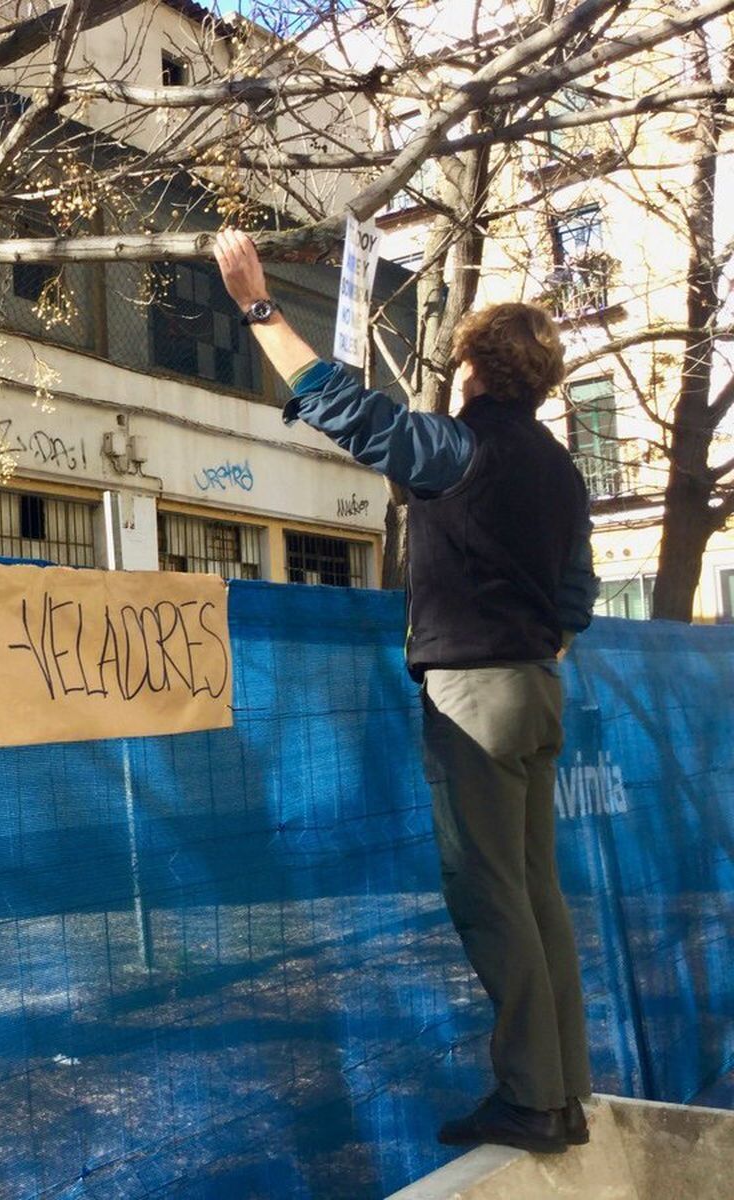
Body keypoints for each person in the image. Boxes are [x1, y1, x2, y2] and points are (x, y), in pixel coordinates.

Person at [212, 229, 599, 1156]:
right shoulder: (562, 468)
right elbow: (578, 596)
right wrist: (539, 640)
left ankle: (532, 1101)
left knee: (489, 894)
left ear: (473, 366)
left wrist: (261, 308)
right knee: (538, 892)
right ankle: (564, 1091)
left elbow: (350, 410)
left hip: (476, 694)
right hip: (539, 688)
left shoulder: (463, 449)